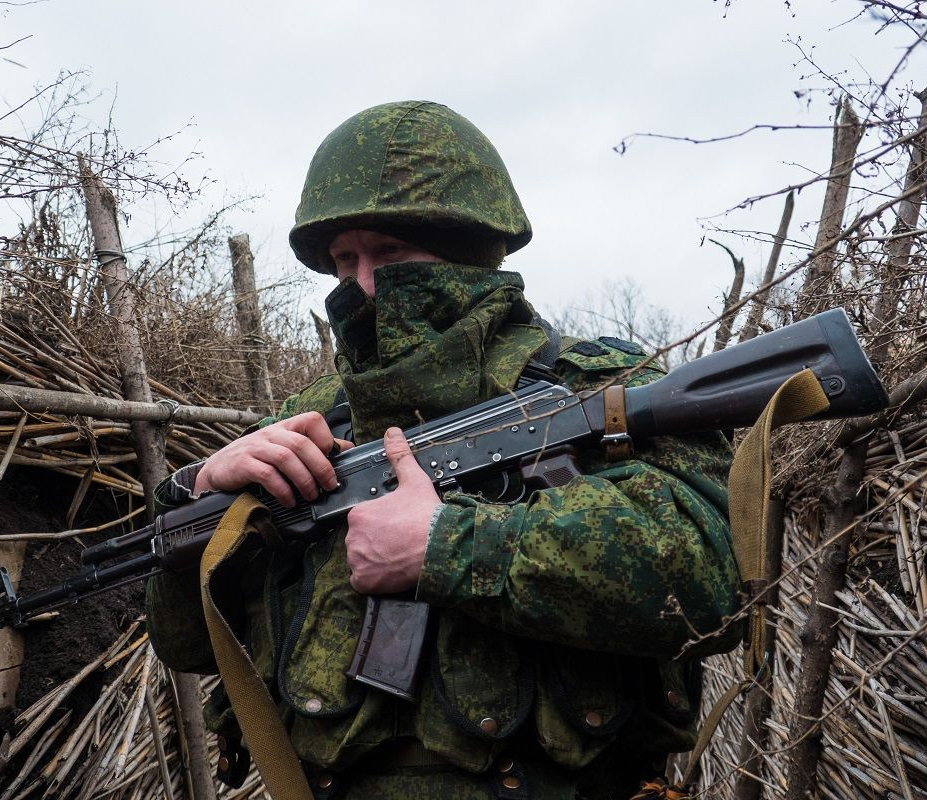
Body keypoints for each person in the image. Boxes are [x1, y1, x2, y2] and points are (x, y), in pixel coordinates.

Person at [146, 100, 742, 800]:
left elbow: (711, 581)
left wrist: (449, 547)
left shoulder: (600, 387)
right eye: (344, 259)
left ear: (467, 250)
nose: (362, 285)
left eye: (391, 254)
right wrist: (200, 498)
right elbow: (187, 647)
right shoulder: (306, 422)